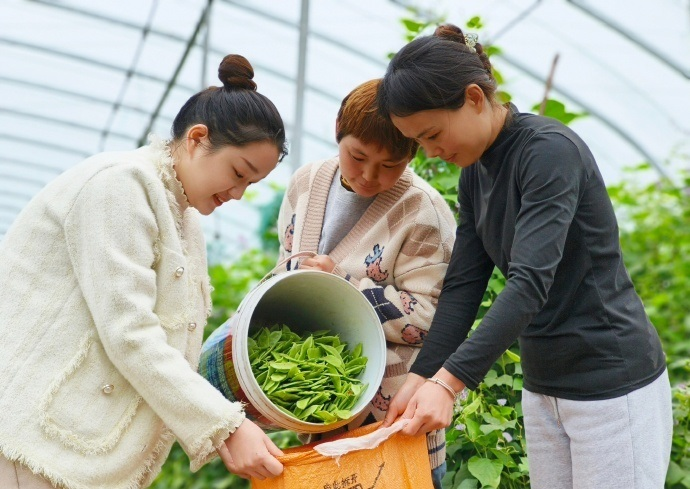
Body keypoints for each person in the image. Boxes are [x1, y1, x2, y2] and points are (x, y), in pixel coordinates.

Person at [377, 24, 673, 489]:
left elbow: (530, 281)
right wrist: (420, 377)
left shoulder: (549, 153)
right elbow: (463, 288)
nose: (430, 153)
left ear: (474, 97)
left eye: (432, 134)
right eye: (418, 142)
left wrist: (448, 384)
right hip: (546, 387)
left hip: (610, 386)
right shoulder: (475, 173)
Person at [0, 54, 288, 489]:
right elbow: (129, 331)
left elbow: (171, 343)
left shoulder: (183, 218)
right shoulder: (120, 185)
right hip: (33, 450)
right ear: (196, 138)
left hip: (72, 450)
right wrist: (226, 425)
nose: (239, 193)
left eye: (251, 184)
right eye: (238, 173)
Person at [275, 78, 457, 488]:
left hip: (395, 428)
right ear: (338, 127)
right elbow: (283, 269)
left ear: (412, 150)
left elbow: (432, 318)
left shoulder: (422, 211)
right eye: (357, 156)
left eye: (390, 165)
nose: (369, 176)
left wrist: (339, 286)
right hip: (319, 418)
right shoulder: (306, 183)